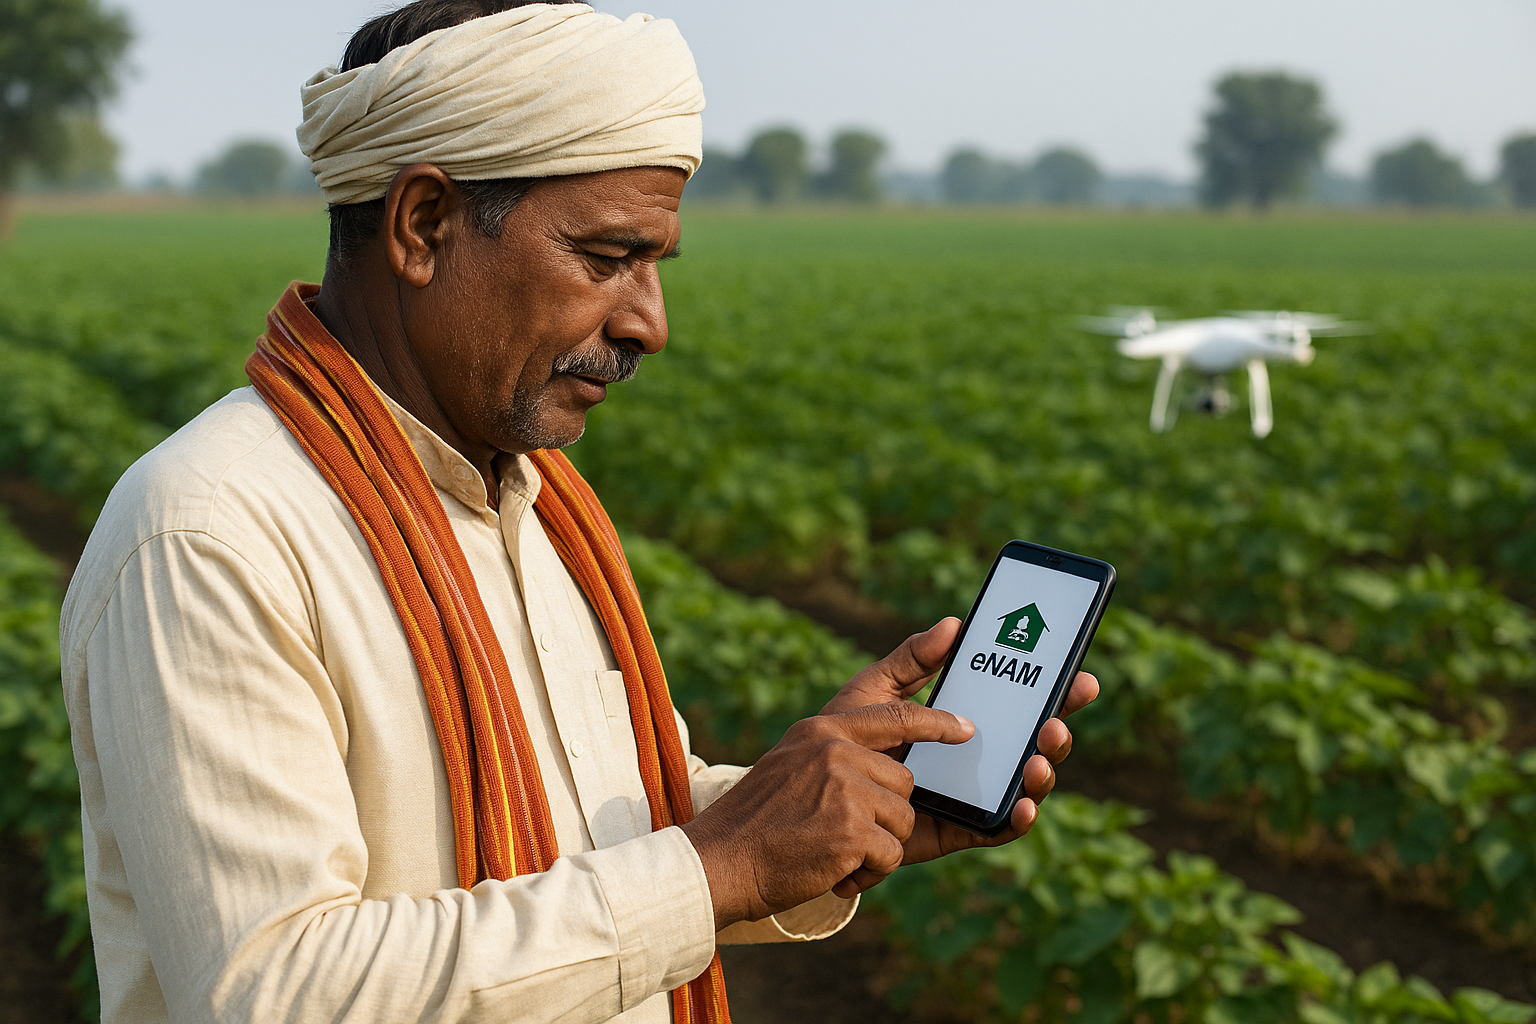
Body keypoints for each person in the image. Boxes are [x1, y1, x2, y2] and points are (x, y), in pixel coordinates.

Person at [59, 2, 1098, 1022]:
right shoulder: (208, 532)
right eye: (607, 259)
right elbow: (274, 992)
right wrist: (720, 863)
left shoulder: (537, 501)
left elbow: (593, 839)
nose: (648, 321)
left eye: (654, 265)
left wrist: (838, 803)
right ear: (423, 226)